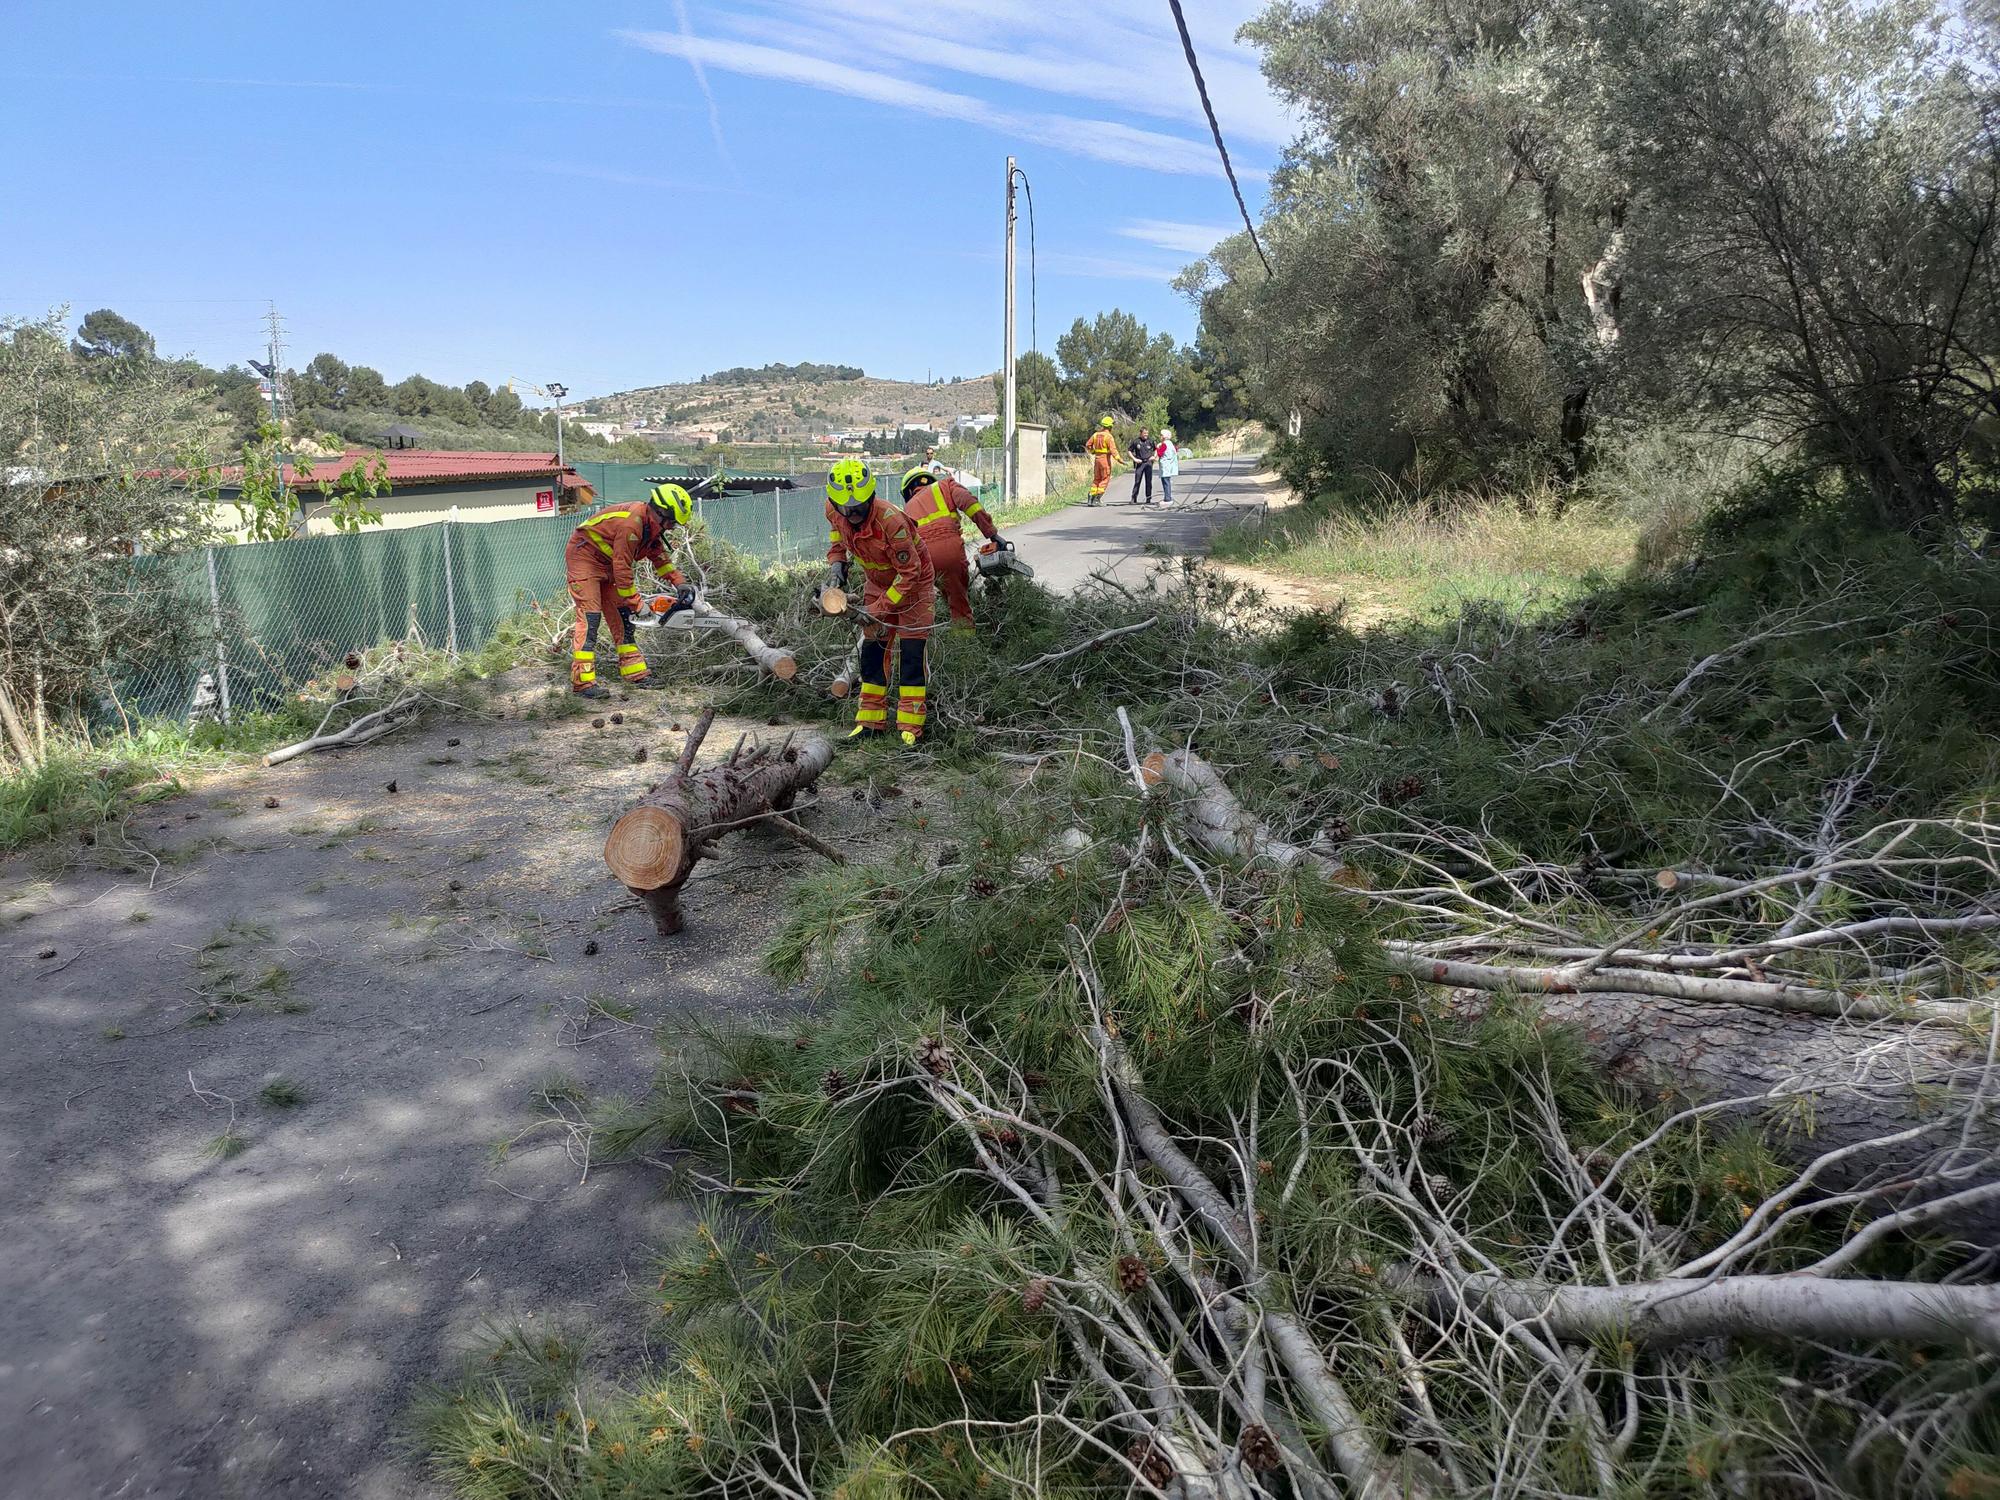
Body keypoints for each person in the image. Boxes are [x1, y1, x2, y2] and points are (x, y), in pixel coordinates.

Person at [825, 458, 937, 745]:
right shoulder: (833, 511)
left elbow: (909, 573)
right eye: (845, 509)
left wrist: (876, 610)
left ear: (871, 495)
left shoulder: (891, 521)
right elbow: (838, 540)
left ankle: (910, 729)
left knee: (911, 654)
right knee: (873, 652)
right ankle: (870, 723)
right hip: (877, 582)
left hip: (914, 587)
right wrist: (837, 565)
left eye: (858, 508)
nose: (852, 514)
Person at [565, 483, 695, 697]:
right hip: (585, 557)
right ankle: (583, 683)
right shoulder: (632, 524)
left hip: (607, 562)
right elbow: (622, 568)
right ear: (660, 511)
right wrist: (637, 604)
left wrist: (679, 582)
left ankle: (635, 672)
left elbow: (659, 555)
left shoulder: (650, 526)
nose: (671, 527)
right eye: (671, 522)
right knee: (591, 618)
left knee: (623, 617)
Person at [900, 463, 1004, 626]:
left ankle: (931, 642)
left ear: (907, 491)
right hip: (950, 551)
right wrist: (992, 534)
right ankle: (964, 647)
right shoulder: (945, 485)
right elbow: (970, 504)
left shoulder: (905, 510)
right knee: (959, 606)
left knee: (923, 608)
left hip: (922, 561)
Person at [1084, 417, 1119, 506]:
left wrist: (1093, 452)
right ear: (1110, 426)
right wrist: (1120, 460)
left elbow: (1088, 445)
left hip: (1097, 459)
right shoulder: (1109, 436)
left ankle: (1091, 497)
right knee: (1104, 479)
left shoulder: (1095, 435)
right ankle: (1097, 499)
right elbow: (1113, 451)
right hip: (1105, 460)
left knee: (1096, 479)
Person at [1127, 425, 1156, 505]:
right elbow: (1129, 451)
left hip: (1148, 463)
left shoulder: (1151, 441)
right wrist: (1135, 459)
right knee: (1137, 481)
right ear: (1141, 433)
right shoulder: (1136, 441)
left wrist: (1154, 456)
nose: (1146, 435)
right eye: (1144, 433)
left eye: (1147, 433)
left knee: (1148, 482)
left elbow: (1156, 449)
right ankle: (1134, 498)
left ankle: (1148, 498)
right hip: (1140, 463)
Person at [1156, 427, 1181, 507]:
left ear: (1164, 436)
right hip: (1169, 465)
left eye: (1161, 435)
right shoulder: (1170, 444)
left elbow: (1159, 453)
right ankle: (1167, 497)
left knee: (1165, 482)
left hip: (1165, 466)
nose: (1160, 436)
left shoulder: (1164, 444)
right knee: (1167, 482)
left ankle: (1168, 498)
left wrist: (1157, 447)